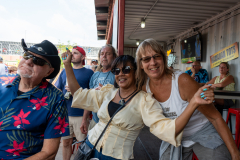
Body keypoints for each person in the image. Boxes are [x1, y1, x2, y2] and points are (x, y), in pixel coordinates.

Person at [62, 52, 215, 160]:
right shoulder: (107, 92)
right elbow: (80, 95)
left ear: (136, 73)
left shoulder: (144, 101)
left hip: (116, 156)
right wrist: (67, 65)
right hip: (89, 147)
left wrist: (193, 103)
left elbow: (167, 128)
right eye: (116, 70)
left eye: (126, 69)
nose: (121, 74)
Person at [136, 38, 240, 160]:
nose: (153, 62)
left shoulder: (182, 81)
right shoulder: (144, 89)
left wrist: (235, 153)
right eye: (147, 59)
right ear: (141, 65)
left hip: (202, 131)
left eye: (156, 56)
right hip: (173, 137)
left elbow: (215, 117)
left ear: (163, 59)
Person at [0, 39, 69, 159]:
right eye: (27, 55)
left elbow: (49, 153)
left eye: (39, 61)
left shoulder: (56, 99)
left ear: (49, 71)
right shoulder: (2, 84)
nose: (29, 61)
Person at [55, 46, 94, 160]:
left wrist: (77, 92)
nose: (72, 55)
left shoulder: (88, 72)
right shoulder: (64, 72)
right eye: (71, 53)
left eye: (76, 53)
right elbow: (57, 89)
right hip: (65, 114)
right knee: (66, 143)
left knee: (82, 145)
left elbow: (91, 96)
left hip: (80, 115)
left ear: (83, 57)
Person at [81, 44, 117, 135]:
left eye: (108, 53)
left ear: (114, 57)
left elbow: (124, 98)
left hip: (112, 123)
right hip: (95, 121)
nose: (104, 56)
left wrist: (107, 92)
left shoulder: (117, 75)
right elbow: (90, 100)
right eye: (102, 54)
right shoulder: (95, 75)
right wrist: (84, 119)